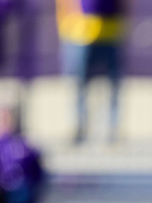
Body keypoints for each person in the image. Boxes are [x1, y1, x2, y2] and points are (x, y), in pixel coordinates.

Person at [56, 0, 126, 144]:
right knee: (78, 84)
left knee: (112, 85)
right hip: (78, 29)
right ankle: (78, 127)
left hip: (109, 28)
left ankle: (112, 130)